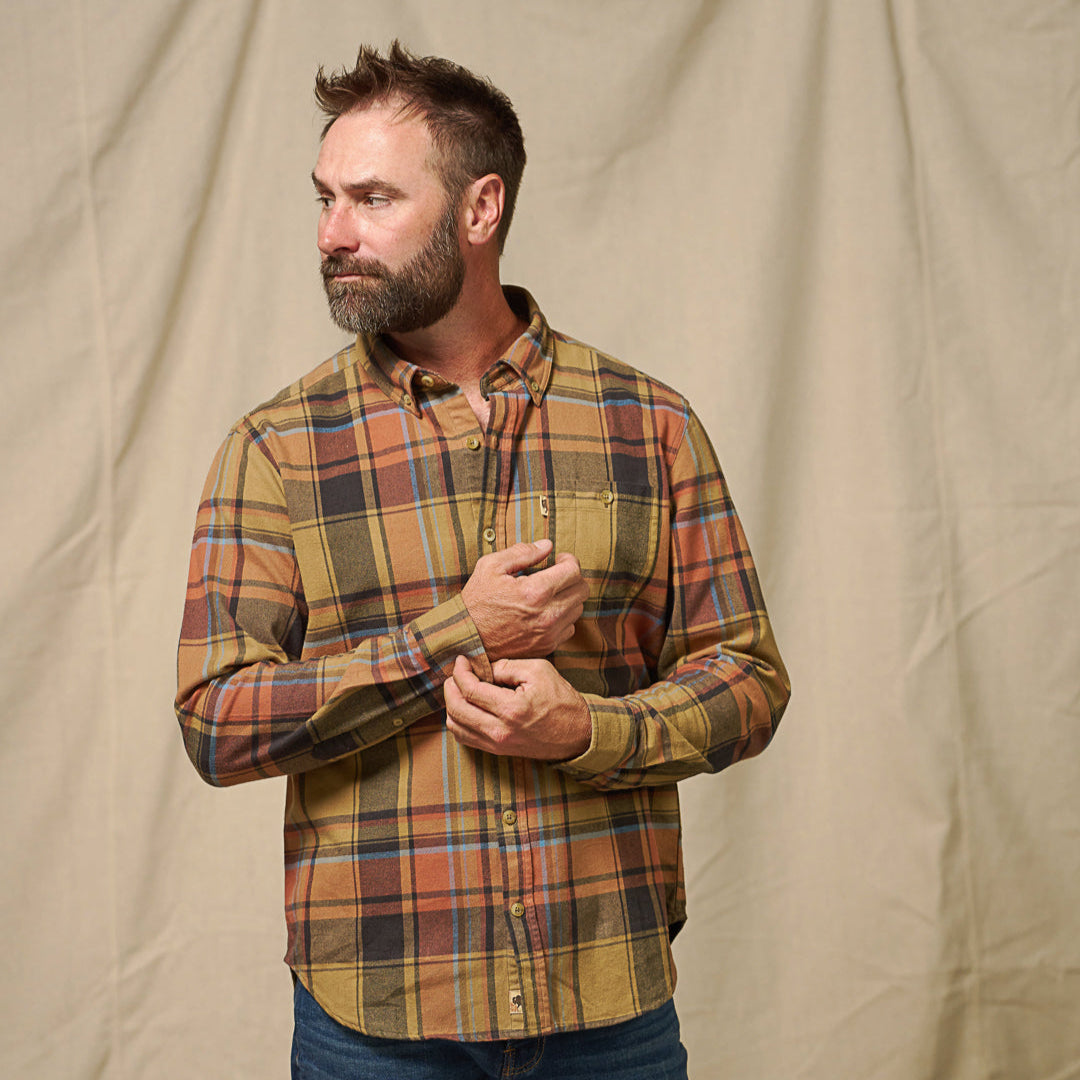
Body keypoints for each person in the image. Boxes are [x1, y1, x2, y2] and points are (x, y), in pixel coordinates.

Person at [176, 41, 790, 1080]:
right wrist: (454, 639)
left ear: (479, 208)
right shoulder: (278, 447)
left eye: (371, 198)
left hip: (610, 1011)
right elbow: (216, 720)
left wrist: (587, 730)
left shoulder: (646, 424)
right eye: (324, 199)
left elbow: (749, 680)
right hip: (373, 1020)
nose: (333, 234)